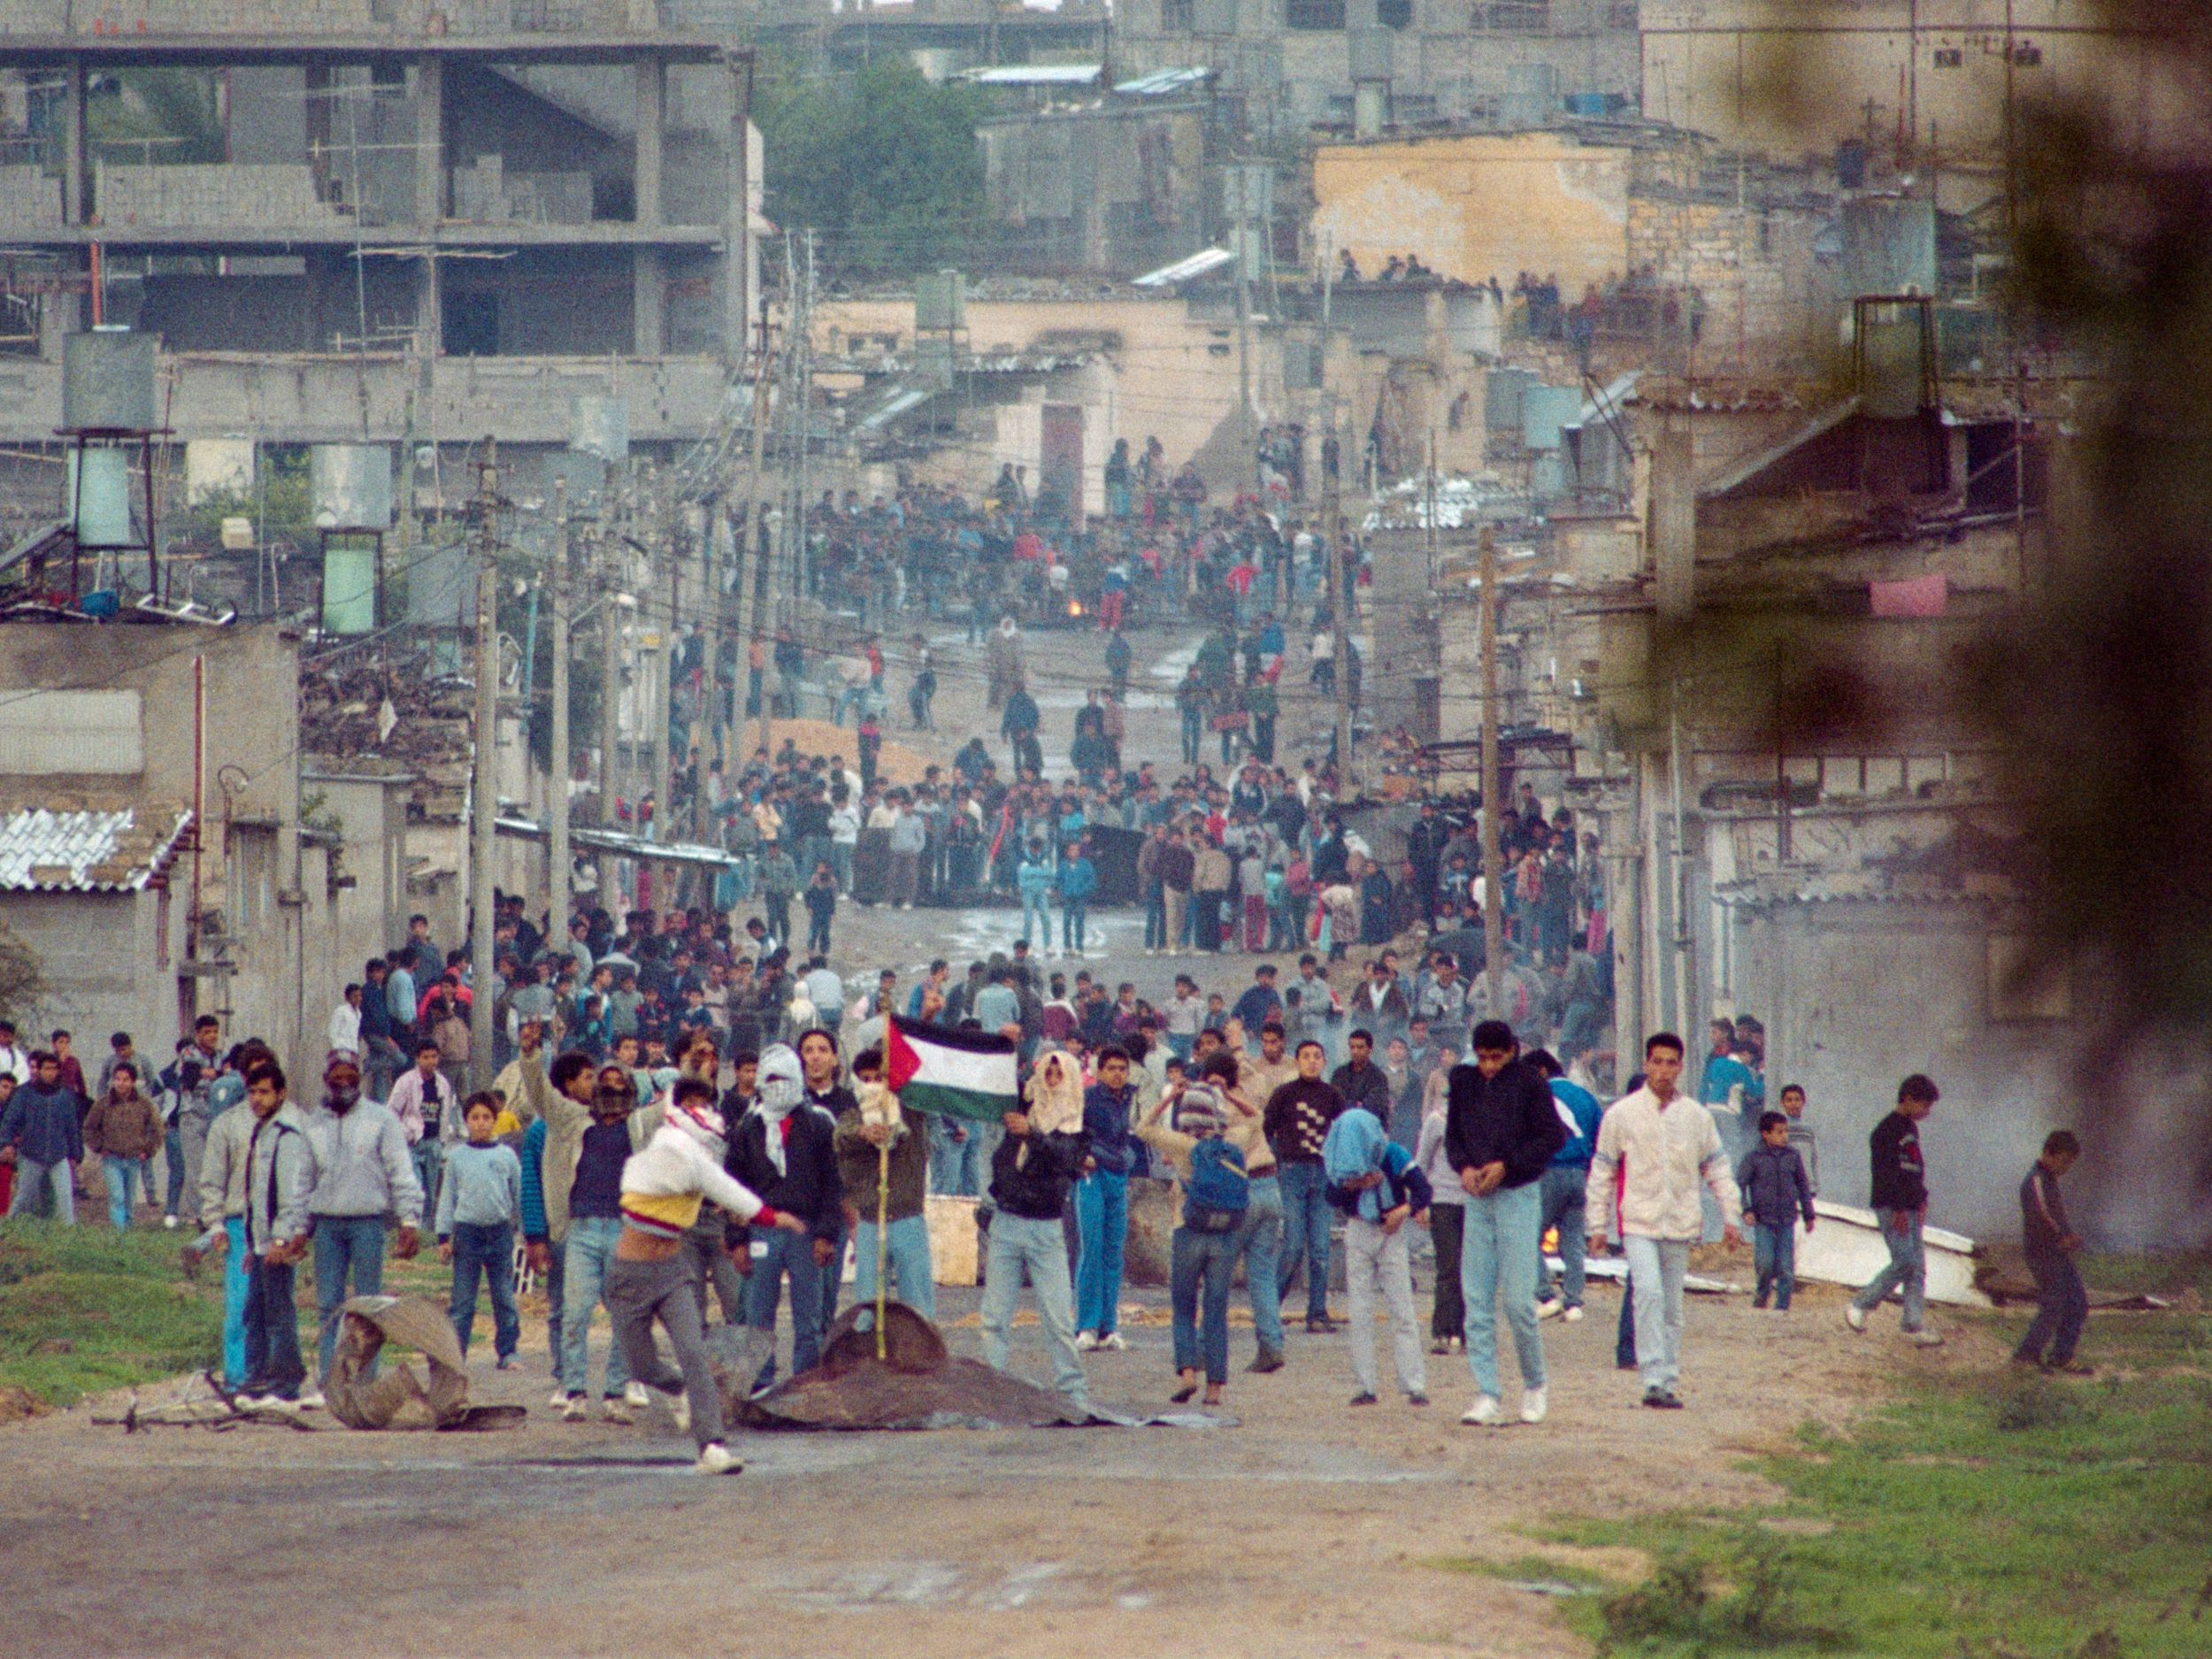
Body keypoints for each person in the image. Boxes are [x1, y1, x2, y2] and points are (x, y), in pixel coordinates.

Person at [611, 1075, 803, 1475]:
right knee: (642, 1367)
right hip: (628, 1276)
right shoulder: (662, 1152)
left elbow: (730, 1190)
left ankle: (711, 1445)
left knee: (694, 1351)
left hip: (672, 1271)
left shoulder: (697, 1164)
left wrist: (771, 1216)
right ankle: (677, 1387)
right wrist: (767, 1214)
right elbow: (722, 1186)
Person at [1587, 1032, 1742, 1409]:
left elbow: (1718, 1168)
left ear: (1681, 1067)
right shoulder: (1621, 1114)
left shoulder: (1696, 1117)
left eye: (1671, 1063)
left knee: (1672, 1304)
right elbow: (1602, 1171)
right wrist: (1596, 1225)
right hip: (1638, 1221)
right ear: (1645, 1064)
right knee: (1648, 1294)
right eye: (1656, 1062)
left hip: (1680, 1221)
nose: (1663, 1070)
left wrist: (1731, 1217)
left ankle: (1668, 1379)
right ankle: (1652, 1378)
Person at [1444, 1020, 1565, 1425]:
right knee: (1476, 1301)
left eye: (1496, 1057)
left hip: (1518, 1196)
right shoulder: (1463, 1082)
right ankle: (1487, 1392)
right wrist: (1462, 1167)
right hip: (1477, 1199)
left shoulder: (1531, 1083)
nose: (1489, 1066)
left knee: (1517, 1302)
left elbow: (1551, 1138)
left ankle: (1534, 1384)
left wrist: (1508, 1165)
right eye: (1482, 1058)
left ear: (1510, 1051)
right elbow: (1454, 1137)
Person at [300, 1051, 423, 1396]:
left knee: (369, 1307)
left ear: (360, 1079)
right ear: (326, 1080)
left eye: (349, 1077)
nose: (343, 1083)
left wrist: (408, 1220)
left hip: (368, 1224)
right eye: (336, 1076)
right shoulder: (314, 1123)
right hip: (327, 1227)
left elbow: (401, 1172)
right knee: (329, 1306)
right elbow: (303, 1181)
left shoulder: (381, 1121)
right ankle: (329, 1383)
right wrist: (296, 1230)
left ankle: (366, 1381)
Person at [727, 1042, 844, 1392]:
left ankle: (804, 1385)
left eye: (785, 1077)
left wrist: (826, 1234)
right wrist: (737, 1241)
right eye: (771, 1077)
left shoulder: (819, 1124)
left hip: (806, 1232)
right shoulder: (749, 1127)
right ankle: (758, 1386)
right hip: (762, 1231)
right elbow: (734, 1187)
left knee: (808, 1316)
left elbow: (832, 1184)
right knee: (757, 1314)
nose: (778, 1085)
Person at [980, 1049, 1092, 1412]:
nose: (1053, 1079)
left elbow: (1065, 1158)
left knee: (1059, 1318)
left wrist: (1034, 1134)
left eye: (1061, 1074)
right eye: (1049, 1072)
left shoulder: (1075, 1127)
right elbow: (996, 1080)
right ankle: (992, 1387)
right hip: (1007, 1222)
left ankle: (1072, 1391)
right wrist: (1005, 1044)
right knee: (995, 1315)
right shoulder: (1023, 1108)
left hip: (1046, 1229)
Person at [1324, 1099, 1431, 1408]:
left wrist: (1405, 1210)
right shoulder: (1342, 1158)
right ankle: (1365, 1385)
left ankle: (1414, 1383)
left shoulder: (1393, 1153)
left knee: (1402, 1308)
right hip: (1358, 1231)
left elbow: (1422, 1188)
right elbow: (1331, 1194)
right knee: (1360, 1311)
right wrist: (1354, 1184)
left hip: (1390, 1234)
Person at [553, 1064, 646, 1420]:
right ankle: (574, 1391)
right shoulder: (578, 1123)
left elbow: (676, 1100)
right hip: (582, 1228)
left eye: (618, 1084)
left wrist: (695, 1066)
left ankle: (615, 1393)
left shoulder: (639, 1126)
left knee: (625, 1315)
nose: (610, 1089)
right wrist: (530, 1056)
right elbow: (541, 1093)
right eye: (603, 1084)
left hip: (625, 1227)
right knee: (575, 1313)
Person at [833, 1047, 935, 1325]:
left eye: (880, 1077)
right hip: (869, 1222)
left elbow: (915, 1062)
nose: (874, 1084)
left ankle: (921, 1365)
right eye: (866, 1078)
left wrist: (923, 1016)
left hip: (908, 1219)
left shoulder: (910, 1111)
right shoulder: (854, 1114)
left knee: (918, 1309)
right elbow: (841, 1136)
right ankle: (868, 1365)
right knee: (866, 1310)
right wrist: (862, 1133)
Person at [1845, 1074, 1944, 1347]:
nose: (1926, 1113)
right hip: (1892, 1206)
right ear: (1909, 1099)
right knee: (1904, 1262)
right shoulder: (1885, 1131)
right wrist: (1900, 1208)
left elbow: (1915, 1168)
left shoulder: (1911, 1129)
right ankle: (1860, 1304)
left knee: (1918, 1267)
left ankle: (1913, 1325)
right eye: (1924, 1106)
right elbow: (1887, 1174)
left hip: (1911, 1206)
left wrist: (1921, 1200)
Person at [237, 1061, 315, 1407]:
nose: (257, 1099)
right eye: (252, 1092)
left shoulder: (287, 1135)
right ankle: (256, 1379)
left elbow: (291, 1194)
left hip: (276, 1244)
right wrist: (252, 1245)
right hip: (259, 1243)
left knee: (279, 1314)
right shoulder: (261, 1130)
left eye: (264, 1092)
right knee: (254, 1313)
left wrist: (282, 1240)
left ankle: (285, 1382)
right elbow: (255, 1195)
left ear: (280, 1094)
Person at [437, 1093, 524, 1366]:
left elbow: (518, 1193)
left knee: (504, 1298)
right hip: (467, 1234)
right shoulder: (457, 1157)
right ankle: (455, 1355)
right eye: (475, 1118)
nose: (481, 1123)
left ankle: (508, 1352)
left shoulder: (507, 1156)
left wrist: (524, 1230)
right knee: (462, 1301)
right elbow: (447, 1198)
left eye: (487, 1117)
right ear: (466, 1122)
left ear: (495, 1121)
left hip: (499, 1233)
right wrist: (443, 1236)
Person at [1265, 1039, 1345, 1333]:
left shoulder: (1333, 1095)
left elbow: (1342, 1133)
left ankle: (1317, 1314)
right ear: (1296, 1061)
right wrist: (1272, 1161)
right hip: (1291, 1172)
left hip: (1323, 1172)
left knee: (1321, 1248)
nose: (1311, 1061)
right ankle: (1269, 1309)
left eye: (1317, 1056)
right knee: (1293, 1244)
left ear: (1324, 1062)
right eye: (1306, 1056)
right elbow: (1265, 1130)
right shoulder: (1283, 1094)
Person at [1528, 1048, 1601, 1322]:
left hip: (1549, 1170)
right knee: (1572, 1240)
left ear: (1542, 1071)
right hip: (1581, 1173)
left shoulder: (1538, 1095)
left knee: (1528, 1236)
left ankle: (1545, 1295)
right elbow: (1599, 1139)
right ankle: (1574, 1303)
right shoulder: (1586, 1097)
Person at [1074, 1044, 1139, 1351]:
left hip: (1118, 1173)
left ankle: (1108, 1328)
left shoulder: (1129, 1097)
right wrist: (1082, 1156)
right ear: (1100, 1072)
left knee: (1114, 1252)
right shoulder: (1087, 1099)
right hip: (1091, 1174)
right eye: (1111, 1068)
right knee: (1092, 1247)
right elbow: (1072, 1132)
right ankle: (1086, 1325)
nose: (1117, 1074)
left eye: (1122, 1069)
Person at [2013, 1129, 2090, 1376]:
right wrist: (2063, 1236)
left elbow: (2057, 1214)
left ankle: (2062, 1355)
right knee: (2053, 1304)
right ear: (2048, 1153)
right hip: (2042, 1253)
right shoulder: (2036, 1180)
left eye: (2070, 1163)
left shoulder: (2050, 1180)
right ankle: (2026, 1355)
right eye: (2064, 1160)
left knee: (2078, 1302)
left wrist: (2068, 1236)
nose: (2066, 1167)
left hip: (2057, 1252)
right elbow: (2042, 1215)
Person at [1737, 1110, 1816, 1311]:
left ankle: (1782, 1308)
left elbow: (1803, 1185)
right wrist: (1746, 1209)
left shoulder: (1793, 1156)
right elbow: (1739, 1185)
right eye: (1779, 1132)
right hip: (1764, 1220)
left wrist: (1808, 1214)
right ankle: (1762, 1295)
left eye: (1785, 1132)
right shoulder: (1754, 1158)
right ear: (1765, 1134)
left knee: (1786, 1268)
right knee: (1765, 1264)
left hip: (1787, 1219)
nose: (1784, 1136)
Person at [1, 1051, 82, 1222]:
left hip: (58, 1155)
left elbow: (72, 1126)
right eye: (46, 1068)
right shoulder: (24, 1093)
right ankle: (8, 1227)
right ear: (39, 1070)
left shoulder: (65, 1095)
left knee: (64, 1199)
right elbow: (10, 1121)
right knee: (25, 1198)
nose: (50, 1072)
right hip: (31, 1154)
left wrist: (75, 1154)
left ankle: (68, 1237)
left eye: (54, 1069)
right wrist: (7, 1143)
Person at [388, 1039, 457, 1227]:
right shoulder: (406, 1082)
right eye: (425, 1057)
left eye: (434, 1057)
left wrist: (443, 1140)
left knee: (431, 1191)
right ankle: (412, 1228)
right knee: (415, 1187)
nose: (430, 1061)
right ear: (417, 1059)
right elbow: (392, 1111)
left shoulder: (442, 1084)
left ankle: (426, 1231)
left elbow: (445, 1113)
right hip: (413, 1143)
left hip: (433, 1143)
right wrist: (405, 1132)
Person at [83, 1061, 159, 1231]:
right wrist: (99, 1147)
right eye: (117, 1079)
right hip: (111, 1158)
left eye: (125, 1080)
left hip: (134, 1158)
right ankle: (119, 1232)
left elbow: (156, 1130)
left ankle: (128, 1229)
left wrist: (147, 1151)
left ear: (133, 1082)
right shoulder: (103, 1104)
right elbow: (89, 1128)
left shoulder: (143, 1104)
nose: (121, 1083)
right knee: (117, 1196)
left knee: (130, 1198)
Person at [1059, 839, 1097, 955]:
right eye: (1072, 850)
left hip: (1080, 898)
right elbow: (1058, 880)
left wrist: (1083, 890)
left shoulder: (1086, 865)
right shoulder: (1063, 865)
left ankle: (1079, 946)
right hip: (1068, 898)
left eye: (1076, 850)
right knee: (1066, 922)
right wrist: (1063, 890)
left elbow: (1091, 880)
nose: (1074, 852)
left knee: (1079, 922)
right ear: (1067, 852)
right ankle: (1067, 945)